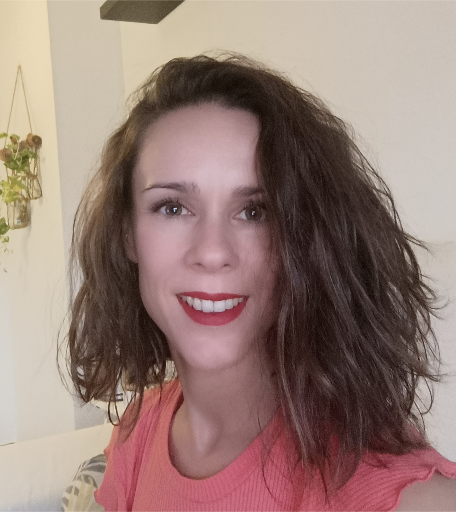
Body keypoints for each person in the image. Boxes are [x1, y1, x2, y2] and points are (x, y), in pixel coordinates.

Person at [65, 54, 456, 511]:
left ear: (307, 239)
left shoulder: (387, 485)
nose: (213, 251)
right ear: (127, 234)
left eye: (255, 211)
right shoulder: (138, 430)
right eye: (172, 207)